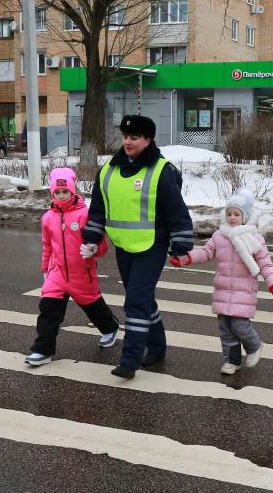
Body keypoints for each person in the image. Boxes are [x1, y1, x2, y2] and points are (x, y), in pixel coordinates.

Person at [82, 114, 193, 379]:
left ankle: (130, 360)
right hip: (124, 246)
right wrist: (91, 237)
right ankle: (157, 347)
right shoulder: (108, 170)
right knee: (142, 299)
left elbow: (177, 212)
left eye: (134, 138)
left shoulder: (160, 170)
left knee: (136, 302)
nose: (128, 142)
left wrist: (181, 245)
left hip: (152, 246)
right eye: (125, 137)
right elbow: (98, 209)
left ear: (148, 140)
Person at [169, 188, 273, 375]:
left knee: (240, 325)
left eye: (236, 214)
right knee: (226, 329)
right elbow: (205, 253)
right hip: (222, 290)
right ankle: (232, 361)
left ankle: (254, 346)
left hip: (243, 291)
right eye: (229, 213)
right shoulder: (219, 237)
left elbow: (266, 265)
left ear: (245, 216)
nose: (232, 217)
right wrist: (186, 258)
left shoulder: (254, 239)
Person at [25, 167, 119, 366]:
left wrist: (94, 250)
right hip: (56, 273)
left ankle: (110, 327)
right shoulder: (48, 218)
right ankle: (43, 351)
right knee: (48, 309)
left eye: (65, 191)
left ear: (72, 191)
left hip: (82, 273)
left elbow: (102, 244)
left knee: (93, 306)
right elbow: (47, 246)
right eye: (57, 192)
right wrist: (45, 269)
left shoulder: (85, 215)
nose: (61, 196)